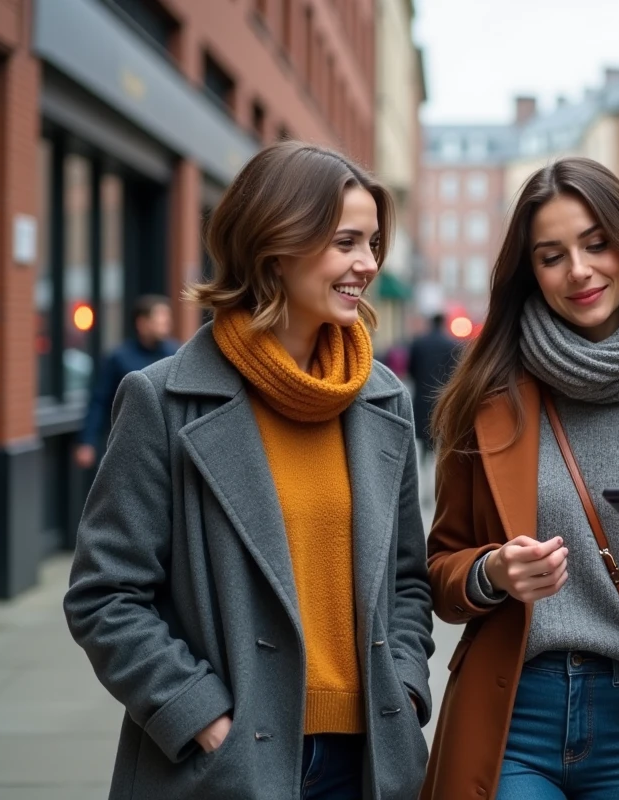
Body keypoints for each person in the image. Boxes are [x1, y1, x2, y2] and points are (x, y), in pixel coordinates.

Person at [64, 140, 434, 800]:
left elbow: (407, 578)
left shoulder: (383, 401)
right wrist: (199, 715)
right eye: (347, 242)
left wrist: (404, 685)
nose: (368, 264)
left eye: (373, 243)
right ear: (277, 242)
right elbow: (105, 594)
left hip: (370, 763)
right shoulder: (164, 399)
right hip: (225, 765)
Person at [422, 157, 619, 800]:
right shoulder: (487, 397)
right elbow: (439, 569)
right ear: (530, 273)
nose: (579, 271)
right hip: (514, 710)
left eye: (595, 243)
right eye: (552, 255)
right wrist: (491, 571)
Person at [75, 295, 178, 469]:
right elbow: (99, 400)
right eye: (160, 317)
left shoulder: (176, 354)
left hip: (168, 446)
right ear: (142, 323)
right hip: (128, 446)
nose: (166, 323)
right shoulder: (119, 358)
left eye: (167, 317)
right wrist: (87, 441)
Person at [407, 312, 462, 462]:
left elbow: (411, 368)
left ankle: (425, 456)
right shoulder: (451, 344)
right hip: (442, 394)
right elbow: (454, 371)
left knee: (423, 428)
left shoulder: (419, 343)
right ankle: (435, 458)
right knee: (438, 428)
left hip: (422, 392)